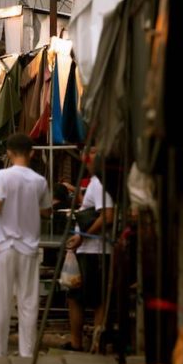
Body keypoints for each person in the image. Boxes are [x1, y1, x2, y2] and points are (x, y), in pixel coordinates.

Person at [0, 132, 52, 358]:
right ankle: (27, 353)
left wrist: (3, 201)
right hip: (29, 248)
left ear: (9, 153)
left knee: (1, 302)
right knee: (28, 302)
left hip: (5, 247)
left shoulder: (3, 176)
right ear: (32, 153)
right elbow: (46, 211)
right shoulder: (40, 181)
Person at [64, 149, 114, 352]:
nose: (87, 158)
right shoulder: (95, 182)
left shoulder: (101, 183)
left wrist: (82, 236)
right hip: (89, 248)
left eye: (93, 153)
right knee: (81, 296)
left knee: (84, 298)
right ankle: (90, 342)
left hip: (94, 249)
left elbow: (107, 216)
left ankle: (89, 343)